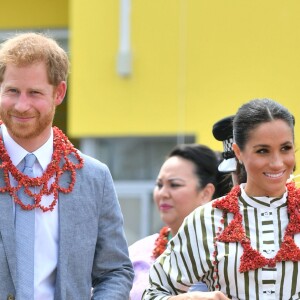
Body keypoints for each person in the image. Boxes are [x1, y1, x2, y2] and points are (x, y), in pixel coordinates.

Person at [0, 32, 133, 299]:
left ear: (58, 93)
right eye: (12, 91)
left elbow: (115, 271)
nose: (21, 105)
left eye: (35, 93)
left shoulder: (93, 178)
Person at [143, 98, 300, 299]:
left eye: (285, 148)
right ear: (238, 153)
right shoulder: (207, 220)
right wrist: (193, 298)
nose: (277, 163)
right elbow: (153, 294)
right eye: (263, 151)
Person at [129, 144, 222, 300]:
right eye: (159, 185)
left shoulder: (225, 252)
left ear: (206, 193)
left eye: (174, 185)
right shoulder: (137, 252)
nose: (163, 193)